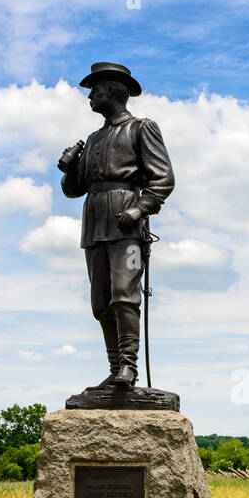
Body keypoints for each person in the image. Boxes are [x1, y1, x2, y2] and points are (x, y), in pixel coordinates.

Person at [58, 62, 175, 389]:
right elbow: (74, 190)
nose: (90, 96)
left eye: (94, 89)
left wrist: (141, 209)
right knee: (101, 301)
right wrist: (68, 169)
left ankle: (128, 367)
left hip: (126, 224)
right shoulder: (94, 139)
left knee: (124, 295)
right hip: (94, 223)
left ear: (111, 90)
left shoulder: (141, 128)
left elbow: (163, 178)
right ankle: (114, 370)